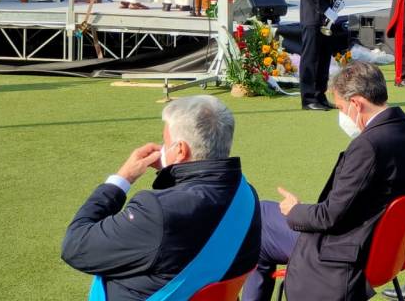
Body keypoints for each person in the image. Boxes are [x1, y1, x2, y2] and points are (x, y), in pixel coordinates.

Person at [242, 63, 405, 301]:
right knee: (264, 216)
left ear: (356, 103)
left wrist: (295, 210)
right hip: (392, 250)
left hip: (346, 253)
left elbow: (329, 216)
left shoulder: (368, 147)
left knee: (260, 219)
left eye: (341, 107)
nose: (341, 115)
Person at [61, 96, 261, 300]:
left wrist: (121, 179)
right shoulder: (246, 195)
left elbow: (75, 246)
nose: (162, 148)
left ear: (181, 150)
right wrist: (174, 173)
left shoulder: (156, 211)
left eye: (166, 142)